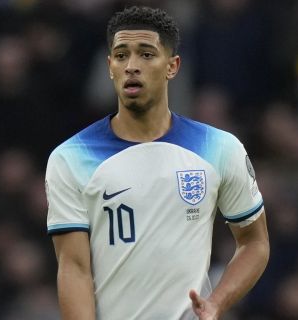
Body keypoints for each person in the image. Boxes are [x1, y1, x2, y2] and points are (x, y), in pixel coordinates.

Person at [46, 6, 269, 320]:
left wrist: (217, 302)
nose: (132, 66)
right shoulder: (71, 158)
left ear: (172, 66)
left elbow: (254, 242)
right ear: (109, 66)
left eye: (146, 54)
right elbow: (74, 268)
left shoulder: (219, 148)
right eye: (121, 56)